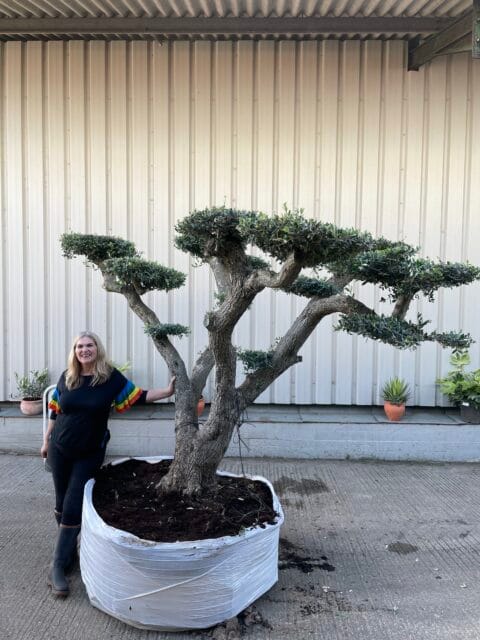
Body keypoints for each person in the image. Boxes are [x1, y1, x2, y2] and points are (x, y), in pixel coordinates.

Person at [41, 331, 175, 598]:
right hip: (59, 449)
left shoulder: (109, 378)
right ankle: (68, 553)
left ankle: (56, 567)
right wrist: (46, 441)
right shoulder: (68, 377)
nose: (84, 350)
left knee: (72, 505)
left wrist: (168, 391)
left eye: (89, 345)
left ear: (97, 349)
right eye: (80, 346)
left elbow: (139, 395)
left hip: (89, 452)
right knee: (59, 503)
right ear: (74, 351)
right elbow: (56, 410)